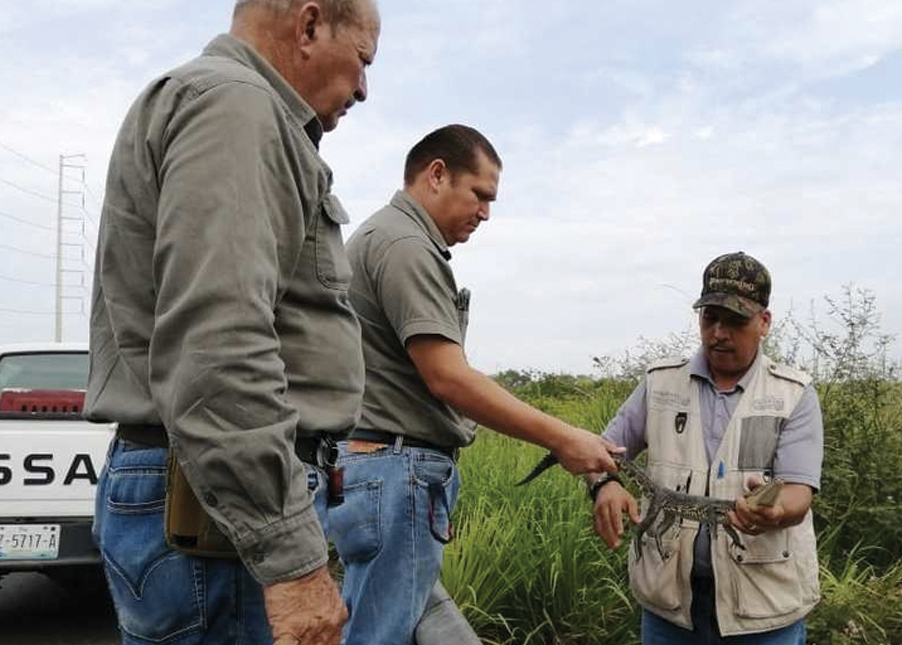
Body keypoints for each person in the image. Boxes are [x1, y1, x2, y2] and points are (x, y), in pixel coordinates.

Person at [84, 2, 379, 644]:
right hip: (213, 512)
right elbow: (220, 348)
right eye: (362, 59)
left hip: (207, 495)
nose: (363, 87)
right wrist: (292, 562)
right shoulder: (239, 108)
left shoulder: (221, 103)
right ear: (308, 26)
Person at [327, 124, 621, 645]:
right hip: (396, 470)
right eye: (480, 195)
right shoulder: (404, 245)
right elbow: (448, 376)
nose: (485, 213)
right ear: (437, 174)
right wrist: (563, 436)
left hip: (386, 472)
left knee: (408, 625)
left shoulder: (386, 237)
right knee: (381, 634)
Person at [591, 252, 823, 644]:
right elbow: (603, 451)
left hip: (763, 612)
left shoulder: (793, 394)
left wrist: (775, 511)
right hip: (670, 609)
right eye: (710, 318)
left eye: (735, 321)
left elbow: (799, 491)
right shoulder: (660, 383)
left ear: (764, 322)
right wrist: (604, 484)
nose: (719, 333)